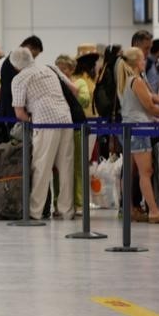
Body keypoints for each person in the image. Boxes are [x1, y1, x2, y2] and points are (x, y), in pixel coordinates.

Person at [10, 47, 76, 220]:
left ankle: (35, 211)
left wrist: (31, 119)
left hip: (45, 122)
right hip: (66, 118)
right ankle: (66, 210)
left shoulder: (19, 78)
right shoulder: (50, 68)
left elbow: (19, 113)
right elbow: (74, 89)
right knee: (66, 167)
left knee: (41, 167)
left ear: (16, 65)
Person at [117, 47, 159, 224]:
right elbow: (149, 106)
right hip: (139, 129)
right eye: (143, 59)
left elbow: (149, 97)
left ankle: (127, 209)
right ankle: (154, 211)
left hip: (127, 128)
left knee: (128, 173)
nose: (145, 62)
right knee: (146, 171)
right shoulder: (136, 80)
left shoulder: (125, 80)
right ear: (137, 62)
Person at [56, 54, 89, 212]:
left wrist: (68, 87)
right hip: (59, 127)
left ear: (71, 69)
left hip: (77, 127)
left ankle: (79, 202)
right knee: (58, 168)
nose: (61, 73)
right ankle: (58, 202)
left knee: (77, 166)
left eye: (64, 69)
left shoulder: (79, 82)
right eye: (59, 69)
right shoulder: (53, 83)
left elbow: (84, 100)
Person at [0, 36, 43, 120]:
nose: (32, 59)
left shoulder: (13, 59)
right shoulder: (15, 61)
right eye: (33, 56)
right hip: (12, 109)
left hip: (13, 107)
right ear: (29, 48)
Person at [73, 44, 99, 118]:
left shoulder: (95, 78)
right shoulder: (75, 79)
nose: (94, 63)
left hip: (95, 119)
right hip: (81, 119)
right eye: (91, 60)